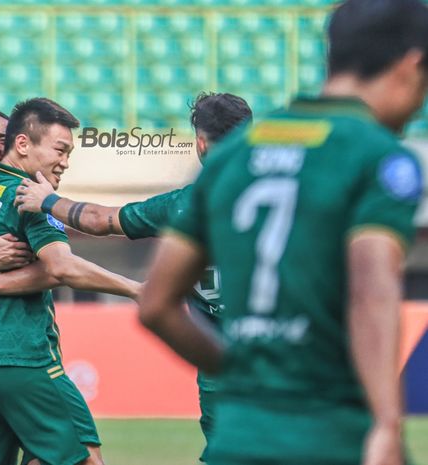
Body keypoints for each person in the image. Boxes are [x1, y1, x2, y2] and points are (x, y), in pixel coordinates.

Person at [139, 1, 428, 464]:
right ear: (411, 65)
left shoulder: (235, 156)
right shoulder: (378, 157)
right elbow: (372, 294)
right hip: (331, 435)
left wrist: (239, 375)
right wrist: (386, 426)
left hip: (240, 436)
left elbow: (155, 304)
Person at [0, 92, 251, 463]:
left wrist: (48, 200)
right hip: (293, 354)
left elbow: (101, 221)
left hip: (221, 365)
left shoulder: (182, 206)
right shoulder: (297, 198)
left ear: (200, 144)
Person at [0, 97, 140, 465]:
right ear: (22, 145)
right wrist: (136, 289)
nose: (64, 162)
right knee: (82, 458)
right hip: (22, 355)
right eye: (60, 150)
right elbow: (60, 268)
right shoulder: (32, 196)